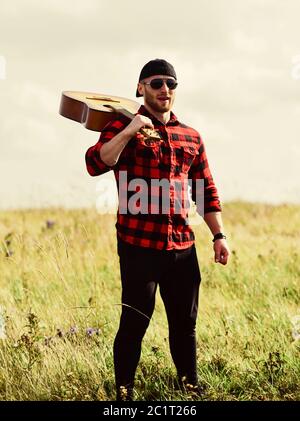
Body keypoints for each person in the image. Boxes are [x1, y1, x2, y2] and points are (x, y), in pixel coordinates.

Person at [85, 59, 230, 401]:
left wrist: (219, 235)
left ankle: (189, 387)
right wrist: (132, 128)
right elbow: (96, 162)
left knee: (185, 324)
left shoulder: (190, 136)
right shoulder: (121, 126)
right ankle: (124, 392)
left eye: (171, 84)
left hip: (182, 245)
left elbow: (204, 189)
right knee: (135, 321)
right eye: (156, 83)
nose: (165, 89)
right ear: (140, 88)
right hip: (139, 245)